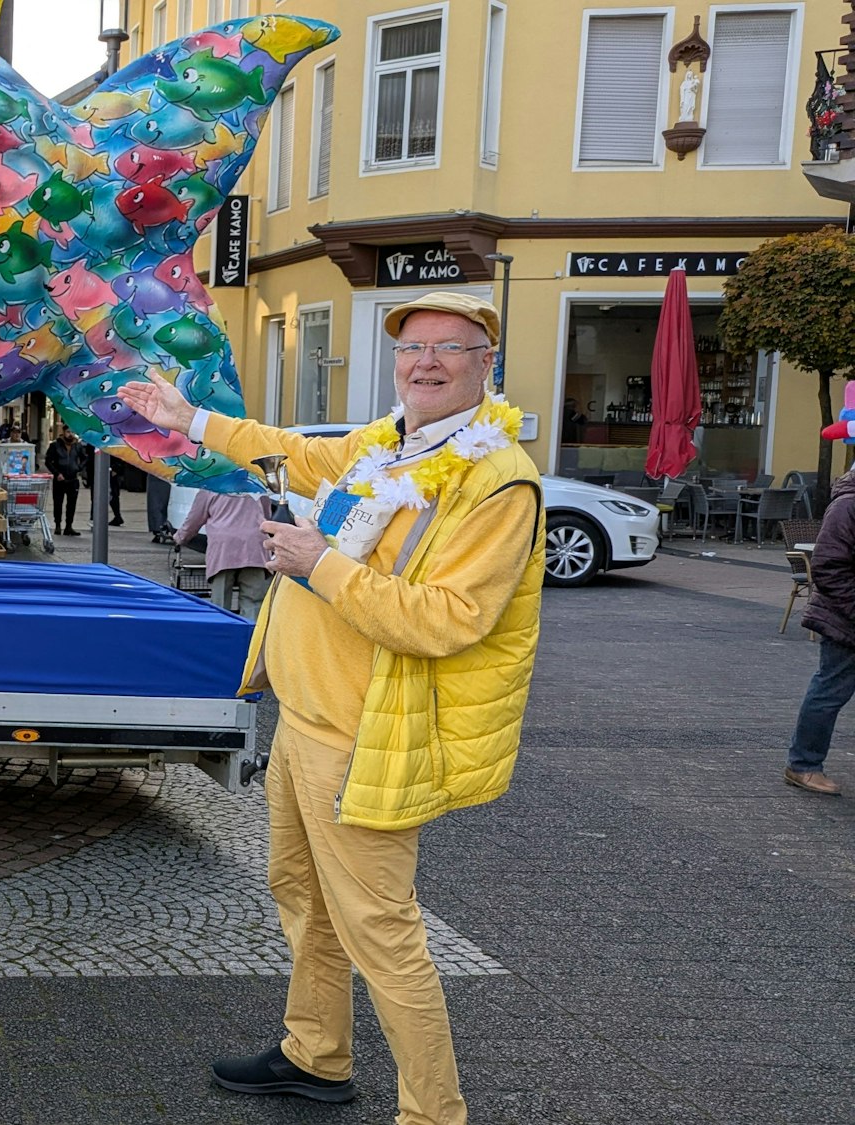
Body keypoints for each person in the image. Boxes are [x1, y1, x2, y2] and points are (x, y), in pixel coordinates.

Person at [120, 292, 544, 1125]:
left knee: (382, 932)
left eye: (448, 348)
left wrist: (319, 563)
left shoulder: (497, 481)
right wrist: (187, 416)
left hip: (365, 736)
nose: (425, 361)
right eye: (412, 346)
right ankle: (317, 1053)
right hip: (303, 720)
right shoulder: (389, 442)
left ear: (485, 364)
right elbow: (289, 454)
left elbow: (447, 621)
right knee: (302, 896)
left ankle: (435, 1113)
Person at [785, 464, 855, 796]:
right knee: (829, 692)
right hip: (846, 621)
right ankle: (803, 765)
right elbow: (827, 567)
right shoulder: (847, 506)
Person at [175, 489, 275, 619]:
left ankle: (222, 633)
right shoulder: (255, 483)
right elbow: (266, 515)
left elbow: (194, 519)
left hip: (223, 549)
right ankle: (250, 635)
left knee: (220, 602)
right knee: (253, 602)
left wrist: (180, 538)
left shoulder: (210, 485)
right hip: (254, 546)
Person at [46, 426, 86, 537]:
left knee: (71, 504)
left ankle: (69, 526)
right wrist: (56, 473)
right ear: (63, 432)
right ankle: (58, 525)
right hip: (60, 479)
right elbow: (48, 461)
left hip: (72, 479)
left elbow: (85, 458)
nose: (70, 434)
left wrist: (79, 468)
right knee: (58, 503)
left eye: (72, 432)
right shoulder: (55, 445)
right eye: (68, 431)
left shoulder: (77, 445)